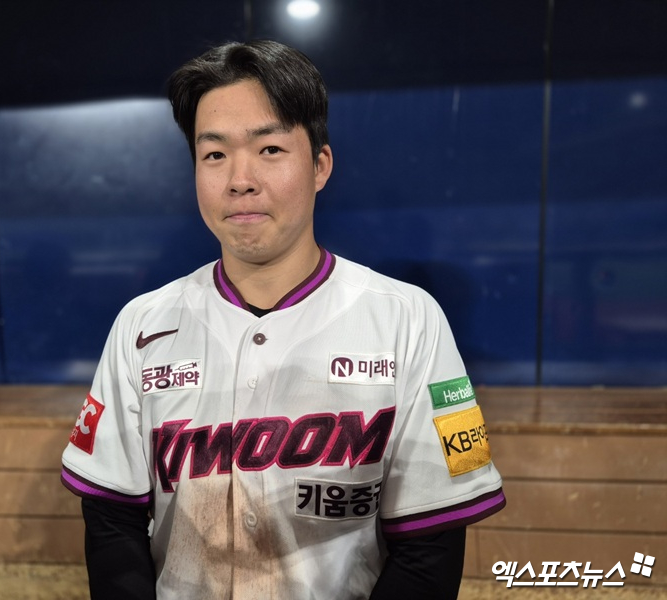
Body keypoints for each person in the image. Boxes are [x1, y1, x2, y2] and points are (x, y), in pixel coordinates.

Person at [61, 39, 505, 599]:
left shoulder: (410, 319)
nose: (239, 179)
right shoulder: (140, 325)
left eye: (269, 148)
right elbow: (111, 522)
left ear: (320, 165)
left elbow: (431, 546)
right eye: (214, 154)